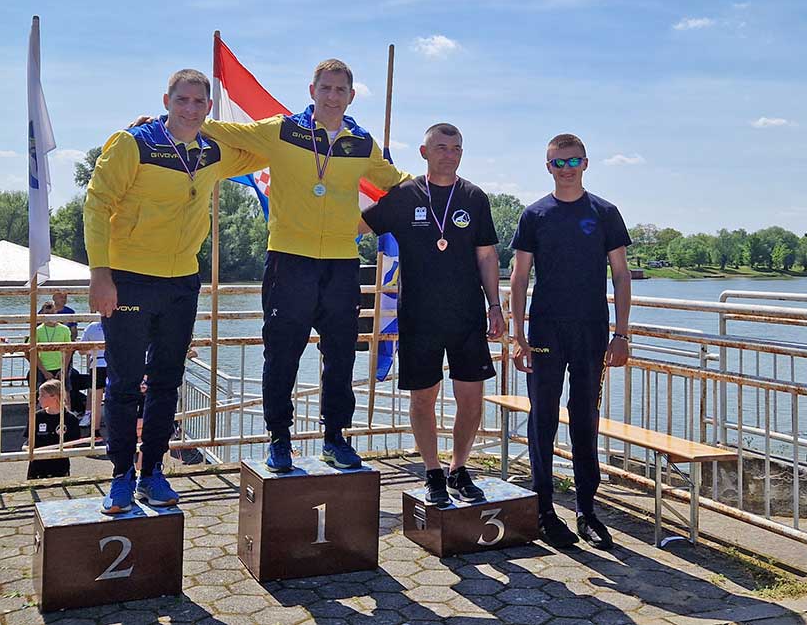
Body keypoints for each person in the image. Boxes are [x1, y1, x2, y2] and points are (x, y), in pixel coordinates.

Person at [136, 59, 411, 473]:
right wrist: (161, 124)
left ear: (352, 96)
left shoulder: (361, 142)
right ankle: (279, 439)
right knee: (282, 355)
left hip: (341, 263)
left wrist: (376, 218)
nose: (332, 96)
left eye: (340, 90)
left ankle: (336, 437)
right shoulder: (283, 130)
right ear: (312, 91)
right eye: (325, 88)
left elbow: (398, 182)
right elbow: (220, 129)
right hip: (289, 260)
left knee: (340, 357)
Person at [85, 68, 267, 514]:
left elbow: (264, 149)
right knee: (125, 382)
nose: (190, 109)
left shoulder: (212, 151)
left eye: (198, 102)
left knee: (168, 381)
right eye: (181, 100)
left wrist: (293, 133)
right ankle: (121, 476)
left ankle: (152, 472)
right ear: (166, 100)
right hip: (129, 277)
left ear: (209, 106)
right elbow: (97, 205)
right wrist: (100, 275)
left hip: (183, 281)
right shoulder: (134, 144)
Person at [360, 123, 503, 505]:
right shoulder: (405, 194)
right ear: (424, 152)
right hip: (419, 316)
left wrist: (495, 306)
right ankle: (433, 472)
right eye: (441, 147)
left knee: (471, 398)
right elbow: (357, 225)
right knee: (423, 398)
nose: (449, 155)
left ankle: (458, 468)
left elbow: (487, 256)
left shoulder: (474, 197)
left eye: (456, 148)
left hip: (467, 315)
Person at [509, 133, 632, 550]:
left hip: (591, 332)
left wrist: (621, 333)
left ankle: (586, 510)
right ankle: (544, 509)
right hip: (545, 331)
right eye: (558, 163)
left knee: (584, 419)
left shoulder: (605, 213)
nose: (566, 169)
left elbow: (621, 275)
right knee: (542, 418)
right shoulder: (534, 215)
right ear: (548, 167)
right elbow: (519, 277)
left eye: (573, 161)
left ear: (585, 163)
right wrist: (518, 335)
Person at [24, 379, 81, 480]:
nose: (38, 399)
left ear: (54, 397)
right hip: (37, 466)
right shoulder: (37, 417)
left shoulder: (70, 419)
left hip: (59, 467)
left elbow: (71, 444)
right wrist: (27, 447)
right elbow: (29, 441)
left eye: (42, 395)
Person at [28, 301, 72, 389]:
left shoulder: (65, 329)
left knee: (65, 393)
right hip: (43, 368)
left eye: (52, 313)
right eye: (47, 313)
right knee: (42, 392)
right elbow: (32, 352)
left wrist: (63, 369)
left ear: (56, 313)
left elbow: (69, 351)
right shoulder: (37, 331)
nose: (50, 316)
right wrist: (44, 371)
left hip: (60, 367)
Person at [78, 320, 106, 434]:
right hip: (115, 364)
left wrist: (94, 350)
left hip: (97, 363)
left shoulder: (92, 327)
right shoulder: (121, 324)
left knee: (96, 401)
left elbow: (81, 350)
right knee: (117, 398)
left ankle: (95, 431)